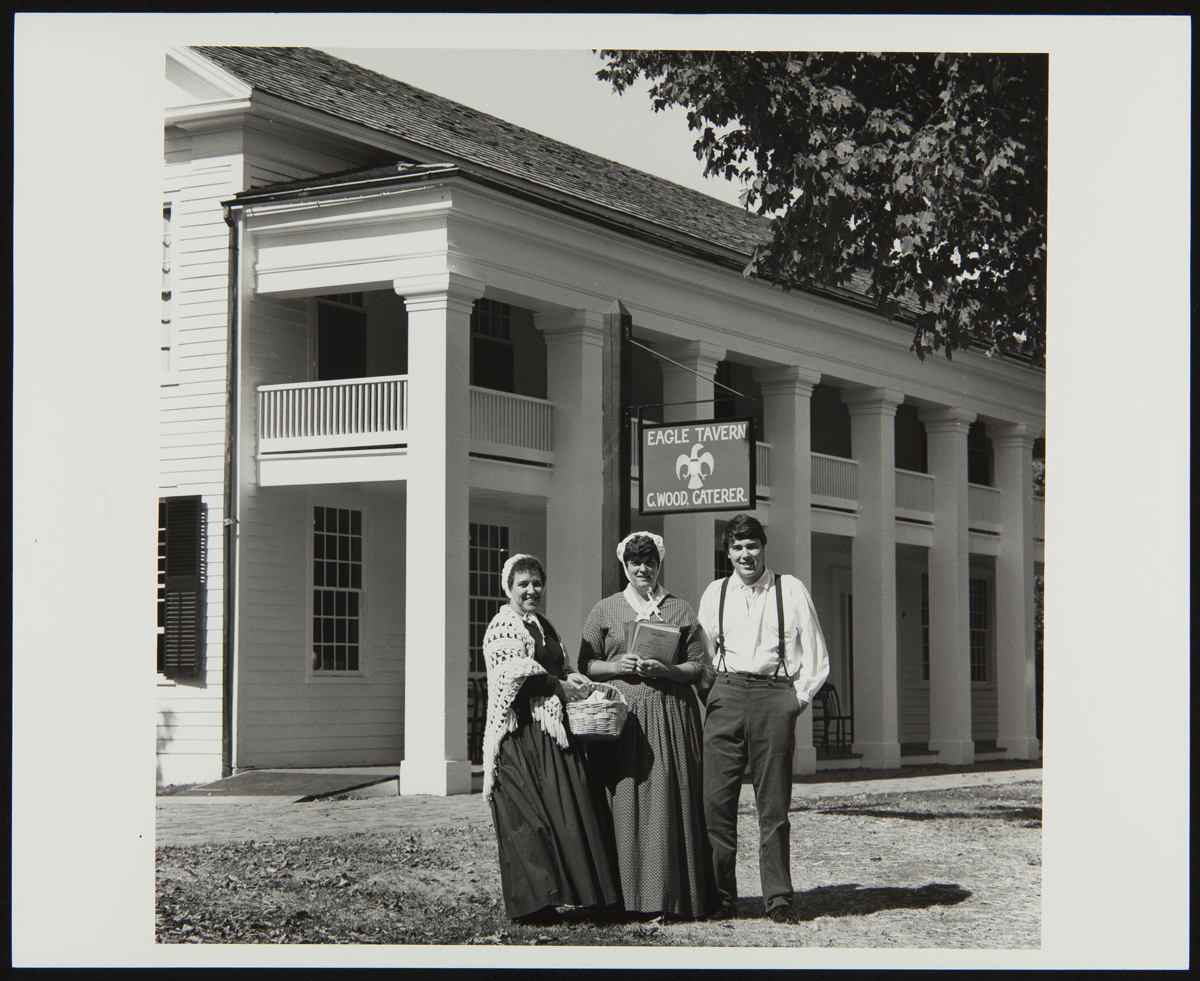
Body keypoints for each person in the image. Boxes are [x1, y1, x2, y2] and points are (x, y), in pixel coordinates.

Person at [696, 514, 830, 924]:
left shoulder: (790, 589)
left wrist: (796, 700)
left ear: (763, 546)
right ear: (728, 552)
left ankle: (778, 896)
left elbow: (817, 656)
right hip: (726, 695)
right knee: (716, 801)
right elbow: (701, 655)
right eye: (737, 547)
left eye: (751, 545)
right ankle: (720, 896)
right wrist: (714, 696)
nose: (745, 554)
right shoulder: (715, 592)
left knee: (773, 804)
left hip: (775, 696)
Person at [482, 553, 623, 924]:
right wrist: (558, 685)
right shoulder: (502, 626)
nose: (531, 590)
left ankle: (592, 897)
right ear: (508, 588)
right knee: (527, 819)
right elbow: (515, 678)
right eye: (523, 584)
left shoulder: (543, 624)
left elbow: (557, 666)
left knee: (572, 810)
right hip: (519, 733)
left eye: (536, 583)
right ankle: (535, 904)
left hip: (551, 729)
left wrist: (572, 676)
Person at [578, 532, 710, 920]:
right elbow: (586, 664)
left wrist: (667, 669)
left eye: (649, 561)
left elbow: (699, 668)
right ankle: (625, 897)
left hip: (671, 717)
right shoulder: (605, 609)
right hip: (624, 720)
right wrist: (617, 666)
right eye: (635, 562)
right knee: (624, 798)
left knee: (670, 800)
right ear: (625, 565)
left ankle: (669, 897)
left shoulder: (680, 610)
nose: (642, 568)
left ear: (658, 563)